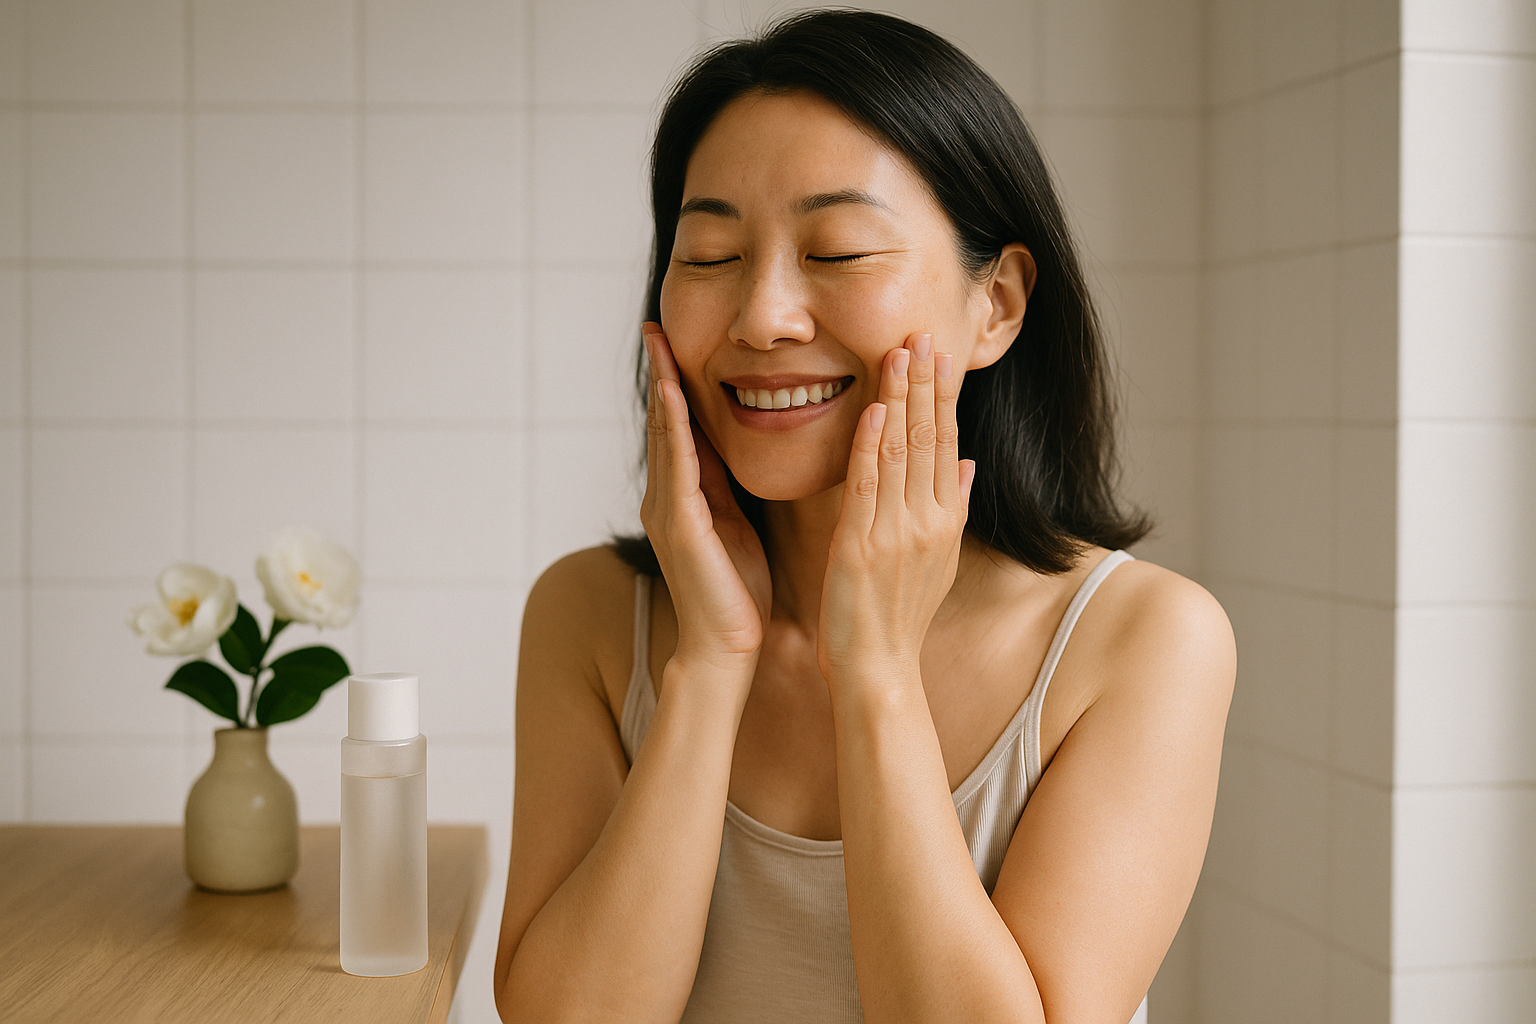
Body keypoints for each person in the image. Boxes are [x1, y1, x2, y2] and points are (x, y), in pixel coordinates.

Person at [493, 10, 1234, 1024]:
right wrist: (711, 662)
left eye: (837, 251)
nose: (762, 317)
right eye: (709, 254)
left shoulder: (1141, 639)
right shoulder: (585, 613)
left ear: (999, 305)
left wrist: (878, 672)